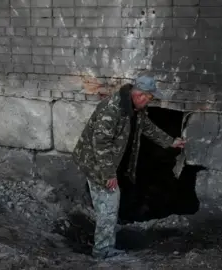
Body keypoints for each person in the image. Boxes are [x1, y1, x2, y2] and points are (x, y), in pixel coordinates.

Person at [72, 75, 186, 259]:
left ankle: (106, 237)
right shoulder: (113, 109)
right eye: (149, 98)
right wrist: (109, 174)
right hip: (96, 164)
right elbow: (100, 144)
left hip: (108, 163)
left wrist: (171, 142)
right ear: (140, 95)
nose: (150, 101)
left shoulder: (135, 107)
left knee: (108, 205)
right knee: (109, 203)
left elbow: (147, 127)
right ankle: (102, 250)